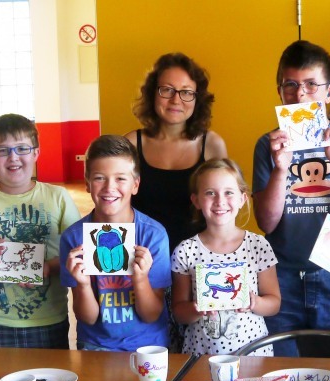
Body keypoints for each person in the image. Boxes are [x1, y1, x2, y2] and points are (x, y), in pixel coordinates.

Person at [252, 40, 330, 357]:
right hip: (282, 275)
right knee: (281, 372)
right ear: (280, 90)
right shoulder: (269, 144)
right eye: (290, 85)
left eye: (310, 85)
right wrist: (281, 169)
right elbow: (266, 222)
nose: (300, 95)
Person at [0, 114, 81, 349]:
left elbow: (80, 254)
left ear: (36, 153)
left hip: (48, 321)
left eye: (22, 148)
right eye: (2, 150)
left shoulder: (57, 197)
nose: (13, 158)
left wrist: (49, 267)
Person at [60, 135, 171, 351]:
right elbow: (87, 318)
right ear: (87, 184)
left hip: (148, 344)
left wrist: (140, 279)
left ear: (135, 185)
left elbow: (151, 314)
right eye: (100, 178)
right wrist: (82, 284)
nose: (110, 187)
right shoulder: (74, 238)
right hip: (95, 344)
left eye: (121, 178)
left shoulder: (153, 236)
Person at [171, 159, 280, 355]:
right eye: (210, 193)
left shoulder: (258, 245)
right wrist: (196, 310)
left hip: (253, 353)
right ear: (196, 200)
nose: (220, 201)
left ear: (242, 199)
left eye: (229, 192)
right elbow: (178, 312)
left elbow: (274, 303)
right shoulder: (185, 250)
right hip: (201, 354)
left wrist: (256, 303)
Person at [124, 52, 227, 253]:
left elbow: (223, 210)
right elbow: (114, 205)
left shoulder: (213, 144)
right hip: (141, 261)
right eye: (167, 90)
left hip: (197, 260)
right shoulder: (130, 144)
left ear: (198, 99)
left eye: (186, 92)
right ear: (153, 93)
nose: (176, 100)